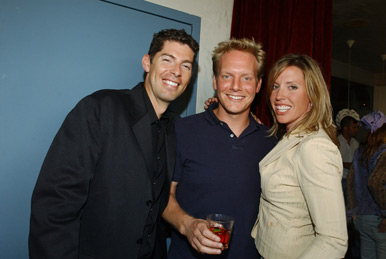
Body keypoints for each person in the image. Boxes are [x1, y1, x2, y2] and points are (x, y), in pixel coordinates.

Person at [28, 29, 199, 259]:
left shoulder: (175, 128)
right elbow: (55, 205)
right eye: (167, 60)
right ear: (147, 63)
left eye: (186, 66)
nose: (176, 72)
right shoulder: (100, 109)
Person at [162, 38, 277, 258]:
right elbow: (164, 195)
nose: (236, 86)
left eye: (246, 78)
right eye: (227, 76)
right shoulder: (182, 131)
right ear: (215, 81)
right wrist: (188, 225)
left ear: (259, 85)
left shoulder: (271, 143)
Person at [251, 54, 348, 258]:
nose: (279, 95)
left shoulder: (314, 147)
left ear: (312, 95)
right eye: (276, 86)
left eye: (292, 87)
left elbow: (333, 241)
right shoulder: (292, 136)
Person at [347, 111, 386, 259]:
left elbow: (350, 182)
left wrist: (353, 212)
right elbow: (375, 183)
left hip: (362, 219)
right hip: (379, 219)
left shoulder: (360, 152)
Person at [336, 108, 360, 197]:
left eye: (357, 127)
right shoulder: (337, 142)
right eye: (354, 127)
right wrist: (346, 165)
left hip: (353, 179)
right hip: (340, 179)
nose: (356, 130)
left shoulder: (356, 143)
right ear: (345, 128)